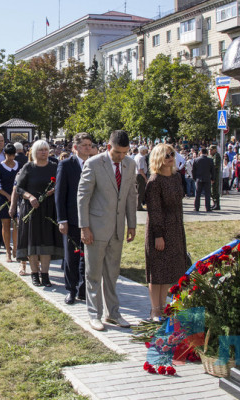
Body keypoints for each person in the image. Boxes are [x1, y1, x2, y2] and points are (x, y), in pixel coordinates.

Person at [77, 130, 137, 331]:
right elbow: (83, 197)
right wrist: (84, 227)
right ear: (109, 147)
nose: (121, 157)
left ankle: (113, 313)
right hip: (95, 228)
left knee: (112, 274)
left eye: (125, 152)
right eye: (118, 152)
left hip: (118, 229)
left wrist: (132, 224)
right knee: (93, 273)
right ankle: (95, 315)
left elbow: (130, 196)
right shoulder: (93, 164)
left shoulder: (130, 165)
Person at [144, 143, 190, 321]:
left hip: (176, 227)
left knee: (168, 271)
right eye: (167, 155)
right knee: (157, 272)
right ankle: (154, 310)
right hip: (160, 229)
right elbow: (154, 210)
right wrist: (158, 235)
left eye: (172, 154)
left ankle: (163, 307)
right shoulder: (154, 181)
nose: (171, 157)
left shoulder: (176, 177)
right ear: (158, 158)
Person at [10, 139, 61, 287]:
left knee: (46, 241)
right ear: (34, 152)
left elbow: (61, 184)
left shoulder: (54, 166)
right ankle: (34, 274)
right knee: (32, 242)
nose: (44, 152)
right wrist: (30, 197)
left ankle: (45, 275)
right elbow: (18, 188)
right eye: (40, 150)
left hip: (48, 209)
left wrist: (55, 190)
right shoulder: (28, 167)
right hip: (31, 209)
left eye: (46, 149)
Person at [55, 132, 93, 305]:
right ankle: (70, 289)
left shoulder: (95, 164)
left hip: (92, 219)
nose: (88, 148)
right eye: (84, 145)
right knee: (72, 256)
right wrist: (61, 219)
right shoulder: (66, 165)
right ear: (75, 147)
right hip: (71, 219)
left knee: (88, 256)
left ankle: (83, 290)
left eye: (89, 145)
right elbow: (60, 194)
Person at [0, 143, 20, 262]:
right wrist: (7, 195)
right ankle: (8, 251)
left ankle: (16, 248)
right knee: (6, 224)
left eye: (13, 155)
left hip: (17, 198)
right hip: (3, 199)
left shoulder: (19, 165)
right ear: (5, 154)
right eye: (9, 155)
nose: (11, 157)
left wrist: (15, 196)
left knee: (17, 225)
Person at [192, 148, 214, 212]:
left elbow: (193, 170)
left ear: (201, 152)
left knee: (197, 194)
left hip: (199, 179)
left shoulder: (196, 160)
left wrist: (194, 178)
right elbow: (212, 170)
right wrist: (212, 178)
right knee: (207, 194)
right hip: (207, 178)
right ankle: (208, 207)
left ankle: (196, 207)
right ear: (206, 153)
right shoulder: (210, 160)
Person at [134, 145, 148, 211]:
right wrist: (145, 178)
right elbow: (141, 169)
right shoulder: (141, 157)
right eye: (145, 150)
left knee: (138, 191)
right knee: (140, 191)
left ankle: (138, 205)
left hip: (137, 174)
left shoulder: (137, 156)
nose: (146, 151)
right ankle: (138, 206)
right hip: (140, 175)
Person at [210, 145, 222, 210]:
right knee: (212, 191)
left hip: (215, 175)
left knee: (214, 190)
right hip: (213, 175)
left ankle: (217, 205)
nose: (210, 151)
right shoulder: (213, 156)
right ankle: (214, 203)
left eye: (211, 150)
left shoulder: (217, 156)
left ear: (215, 150)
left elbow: (215, 165)